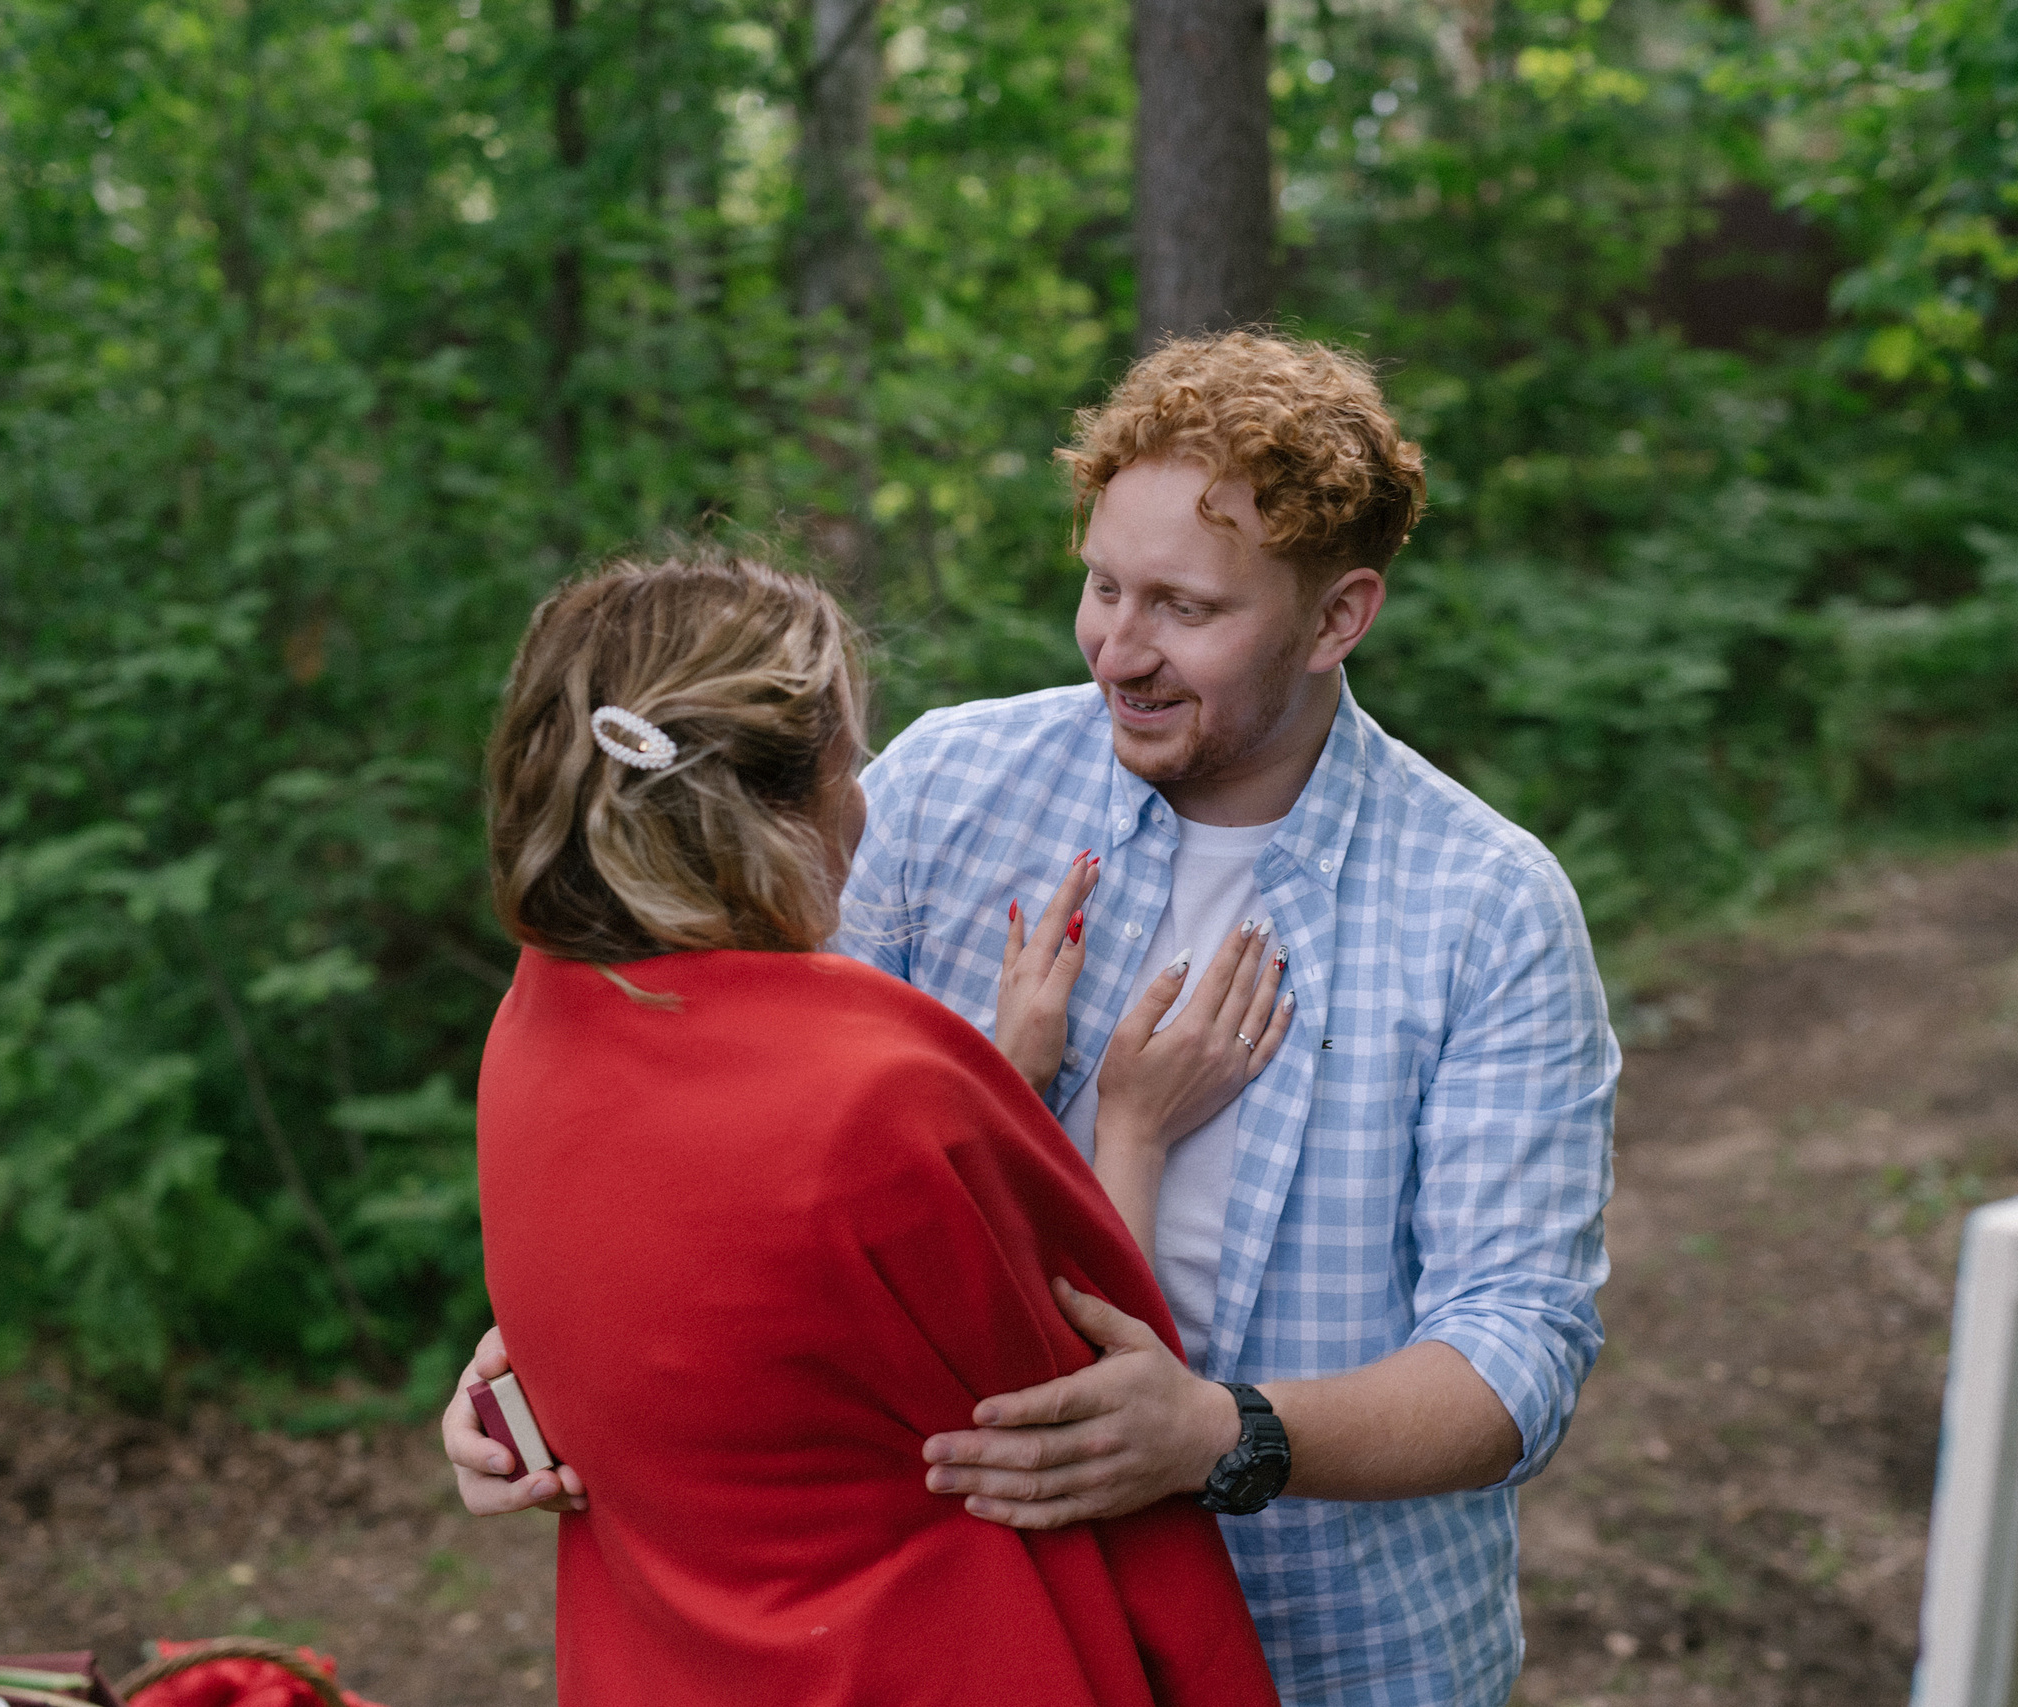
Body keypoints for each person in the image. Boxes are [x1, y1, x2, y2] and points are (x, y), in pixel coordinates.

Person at [452, 331, 1618, 1707]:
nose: (1118, 646)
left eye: (1185, 607)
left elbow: (1516, 1351)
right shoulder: (948, 784)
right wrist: (542, 1343)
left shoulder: (1485, 904)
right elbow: (729, 1138)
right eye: (1104, 583)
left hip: (1346, 1651)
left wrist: (1222, 1431)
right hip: (1018, 1644)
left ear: (1335, 617)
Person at [470, 548, 1288, 1705]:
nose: (866, 799)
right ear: (788, 807)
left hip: (667, 1660)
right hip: (916, 1663)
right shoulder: (880, 1090)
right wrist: (1130, 1128)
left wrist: (996, 1083)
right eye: (852, 765)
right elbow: (1082, 1416)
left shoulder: (539, 1015)